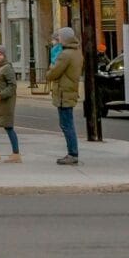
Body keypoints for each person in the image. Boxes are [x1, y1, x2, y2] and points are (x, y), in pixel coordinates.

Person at [48, 24, 83, 165]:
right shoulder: (76, 53)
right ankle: (72, 152)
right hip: (70, 91)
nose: (59, 38)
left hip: (63, 92)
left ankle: (72, 153)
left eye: (60, 36)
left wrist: (50, 67)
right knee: (68, 123)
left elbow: (53, 73)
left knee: (66, 125)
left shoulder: (65, 55)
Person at [0, 44, 20, 162]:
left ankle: (16, 154)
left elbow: (12, 86)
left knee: (8, 127)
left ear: (4, 55)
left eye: (0, 54)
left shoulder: (7, 68)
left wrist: (1, 95)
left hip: (5, 103)